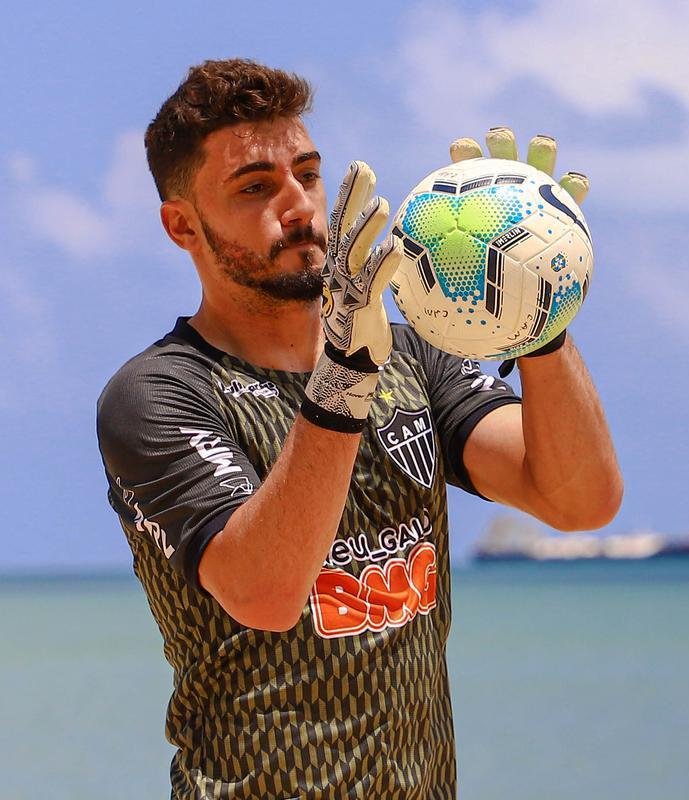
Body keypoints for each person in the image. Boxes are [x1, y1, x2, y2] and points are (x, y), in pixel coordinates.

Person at [96, 58, 622, 799]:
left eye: (307, 175)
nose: (299, 206)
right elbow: (265, 592)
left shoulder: (415, 354)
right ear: (182, 224)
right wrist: (344, 376)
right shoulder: (157, 395)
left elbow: (578, 500)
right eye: (255, 188)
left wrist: (539, 319)